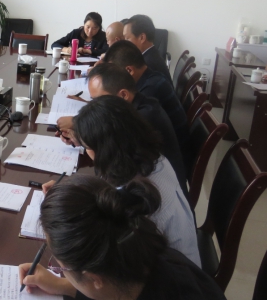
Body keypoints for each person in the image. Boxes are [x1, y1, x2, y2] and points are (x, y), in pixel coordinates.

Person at [20, 175, 226, 300]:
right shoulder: (146, 255)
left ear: (94, 279)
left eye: (60, 268)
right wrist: (63, 285)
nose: (59, 272)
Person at [50, 96, 200, 267]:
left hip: (166, 276)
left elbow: (108, 265)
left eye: (88, 147)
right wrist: (73, 194)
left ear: (106, 151)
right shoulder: (153, 159)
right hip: (181, 262)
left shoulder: (138, 201)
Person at [57, 63, 188, 196]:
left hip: (153, 193)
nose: (96, 105)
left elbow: (108, 171)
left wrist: (86, 139)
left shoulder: (142, 118)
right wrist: (83, 138)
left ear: (123, 95)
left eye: (99, 100)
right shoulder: (137, 107)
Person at [103, 40, 191, 176]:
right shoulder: (150, 79)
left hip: (167, 169)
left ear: (129, 70)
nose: (111, 80)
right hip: (168, 157)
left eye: (112, 75)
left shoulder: (149, 91)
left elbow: (122, 126)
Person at [123, 14, 172, 84]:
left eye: (127, 38)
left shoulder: (147, 65)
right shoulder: (152, 54)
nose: (124, 43)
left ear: (142, 38)